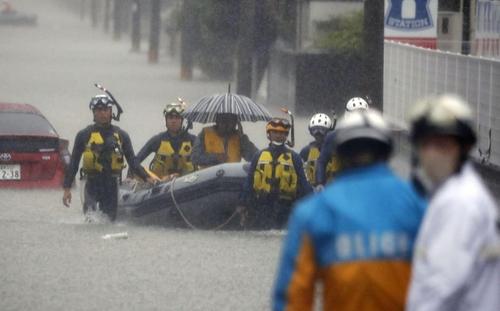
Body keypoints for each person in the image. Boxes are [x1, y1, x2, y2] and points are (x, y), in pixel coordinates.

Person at [273, 109, 426, 311]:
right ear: (387, 152)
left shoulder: (313, 212)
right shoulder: (416, 204)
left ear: (340, 153)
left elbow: (292, 296)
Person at [406, 94, 500, 311]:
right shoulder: (455, 194)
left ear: (463, 148)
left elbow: (440, 288)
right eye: (427, 144)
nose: (432, 153)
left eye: (443, 145)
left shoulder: (459, 203)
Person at [62, 94, 153, 221]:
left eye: (106, 110)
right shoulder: (84, 135)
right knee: (90, 218)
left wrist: (146, 177)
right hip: (92, 184)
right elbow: (74, 164)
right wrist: (67, 188)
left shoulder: (122, 135)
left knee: (109, 221)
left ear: (111, 112)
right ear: (93, 112)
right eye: (99, 110)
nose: (103, 113)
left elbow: (133, 161)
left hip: (111, 185)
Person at [241, 118, 312, 229]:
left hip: (286, 207)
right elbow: (249, 182)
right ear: (269, 134)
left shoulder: (295, 158)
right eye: (275, 133)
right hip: (262, 206)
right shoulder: (258, 156)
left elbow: (304, 183)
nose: (278, 136)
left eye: (282, 133)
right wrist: (243, 203)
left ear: (286, 136)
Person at [315, 97, 369, 186]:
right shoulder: (333, 137)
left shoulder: (372, 138)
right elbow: (322, 161)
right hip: (339, 184)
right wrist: (320, 183)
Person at [135, 101, 196, 180]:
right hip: (160, 185)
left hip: (186, 183)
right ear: (166, 120)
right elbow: (135, 161)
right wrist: (146, 176)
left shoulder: (192, 140)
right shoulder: (157, 140)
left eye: (177, 117)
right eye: (170, 118)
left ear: (182, 120)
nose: (173, 121)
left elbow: (204, 159)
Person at [191, 113, 258, 168]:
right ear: (217, 121)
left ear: (236, 123)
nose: (227, 125)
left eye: (231, 121)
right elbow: (195, 158)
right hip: (208, 179)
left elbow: (255, 158)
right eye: (223, 120)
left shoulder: (239, 137)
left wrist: (243, 139)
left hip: (231, 179)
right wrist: (216, 157)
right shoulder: (205, 133)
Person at [300, 113, 336, 186]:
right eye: (314, 130)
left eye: (322, 130)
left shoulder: (335, 150)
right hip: (312, 190)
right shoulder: (306, 151)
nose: (318, 134)